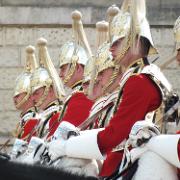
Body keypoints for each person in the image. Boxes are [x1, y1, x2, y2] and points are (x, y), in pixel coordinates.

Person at [47, 0, 180, 178]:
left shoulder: (139, 81)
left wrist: (66, 147)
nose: (111, 47)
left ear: (134, 40)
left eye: (117, 42)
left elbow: (115, 135)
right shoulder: (144, 77)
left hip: (132, 164)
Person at [30, 37, 65, 140]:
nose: (32, 98)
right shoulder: (45, 115)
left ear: (49, 90)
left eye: (36, 93)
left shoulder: (57, 114)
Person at [10, 46, 39, 159]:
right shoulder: (25, 119)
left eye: (18, 95)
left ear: (30, 95)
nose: (14, 99)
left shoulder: (32, 119)